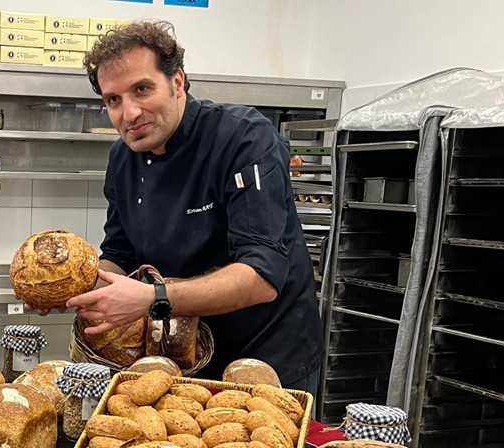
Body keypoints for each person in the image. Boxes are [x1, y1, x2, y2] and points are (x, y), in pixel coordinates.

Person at [65, 21, 323, 392]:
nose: (129, 113)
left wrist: (153, 298)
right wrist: (84, 287)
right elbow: (119, 253)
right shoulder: (123, 157)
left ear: (177, 82)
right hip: (181, 357)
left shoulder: (243, 137)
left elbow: (262, 276)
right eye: (113, 100)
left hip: (265, 358)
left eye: (142, 89)